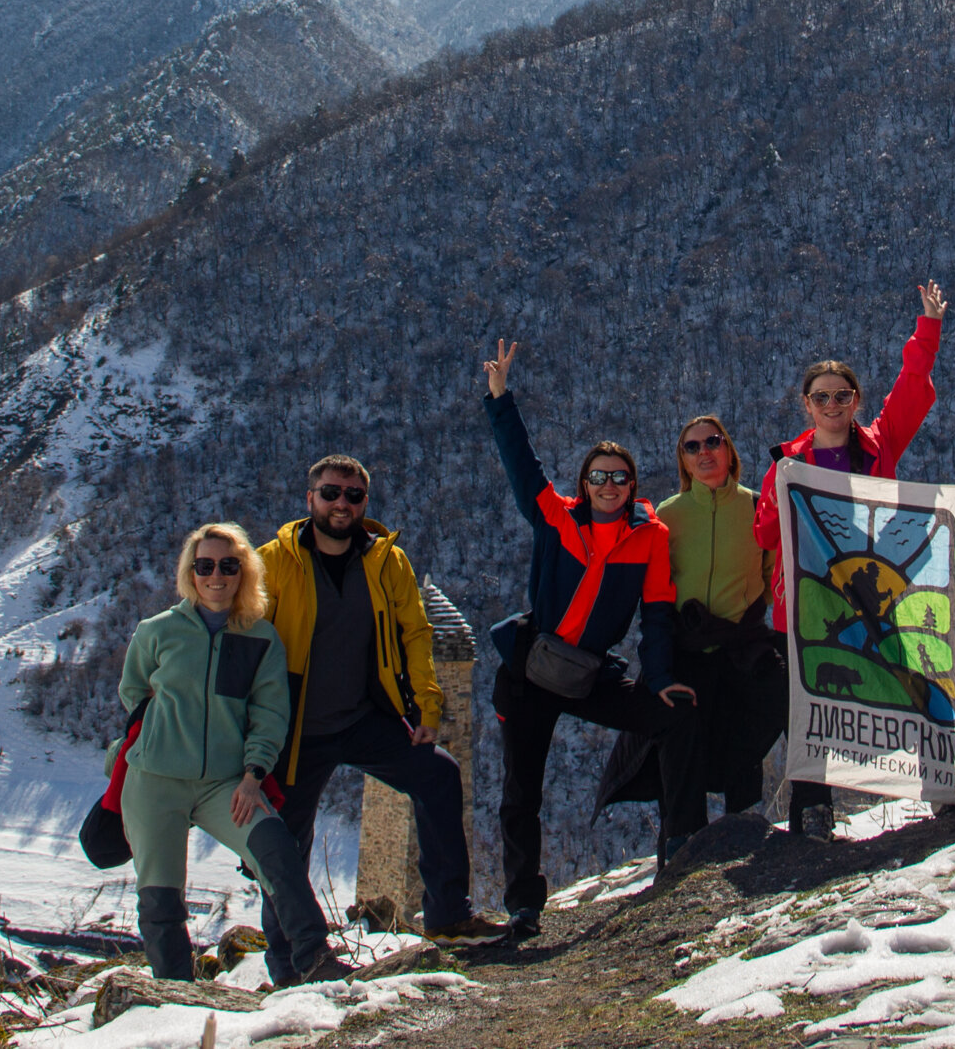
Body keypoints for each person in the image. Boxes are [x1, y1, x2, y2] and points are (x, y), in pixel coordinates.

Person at [481, 339, 694, 940]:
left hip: (589, 672)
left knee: (673, 716)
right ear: (586, 481)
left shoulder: (649, 540)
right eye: (598, 477)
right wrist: (501, 397)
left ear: (632, 486)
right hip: (530, 668)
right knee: (521, 789)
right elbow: (520, 463)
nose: (608, 485)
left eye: (619, 478)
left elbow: (657, 616)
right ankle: (524, 904)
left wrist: (660, 679)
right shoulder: (556, 515)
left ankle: (678, 844)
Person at [260, 456, 504, 946]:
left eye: (353, 495)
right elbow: (246, 642)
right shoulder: (271, 562)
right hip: (295, 727)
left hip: (363, 718)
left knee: (439, 775)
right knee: (283, 845)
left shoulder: (387, 560)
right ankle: (291, 965)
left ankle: (447, 915)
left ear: (364, 502)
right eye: (331, 493)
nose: (341, 503)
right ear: (310, 499)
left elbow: (416, 633)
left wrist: (426, 708)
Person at [116, 523, 349, 987]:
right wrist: (160, 738)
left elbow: (270, 714)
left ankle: (316, 961)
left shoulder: (260, 638)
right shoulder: (157, 631)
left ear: (244, 572)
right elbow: (134, 692)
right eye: (205, 566)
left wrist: (252, 775)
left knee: (278, 852)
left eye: (228, 565)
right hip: (155, 782)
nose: (215, 575)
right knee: (160, 898)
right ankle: (175, 992)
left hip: (227, 784)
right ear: (191, 572)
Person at [754, 282, 946, 840]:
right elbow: (766, 533)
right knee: (811, 703)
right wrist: (777, 497)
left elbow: (912, 392)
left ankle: (937, 783)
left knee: (913, 680)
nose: (833, 405)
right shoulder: (786, 464)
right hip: (813, 598)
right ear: (806, 405)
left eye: (842, 396)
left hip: (877, 590)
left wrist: (926, 329)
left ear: (856, 401)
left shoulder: (878, 448)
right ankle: (813, 809)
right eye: (822, 398)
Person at [596, 414, 785, 860]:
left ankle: (744, 826)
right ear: (683, 460)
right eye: (692, 447)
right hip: (689, 648)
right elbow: (654, 591)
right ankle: (683, 842)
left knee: (749, 726)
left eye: (713, 442)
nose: (704, 453)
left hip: (743, 645)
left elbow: (769, 576)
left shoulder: (758, 507)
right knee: (680, 737)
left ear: (729, 451)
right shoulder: (668, 516)